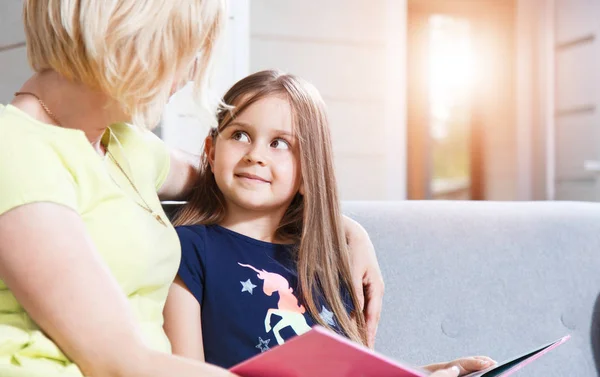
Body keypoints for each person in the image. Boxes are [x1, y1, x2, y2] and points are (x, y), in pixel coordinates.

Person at [0, 2, 383, 377]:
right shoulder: (14, 149)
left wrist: (347, 231)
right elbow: (118, 361)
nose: (188, 74)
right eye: (185, 52)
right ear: (129, 41)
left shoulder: (124, 144)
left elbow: (239, 176)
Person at [164, 70, 496, 376]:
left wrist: (429, 372)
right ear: (210, 150)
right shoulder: (187, 249)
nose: (256, 155)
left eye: (280, 143)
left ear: (309, 169)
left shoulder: (330, 263)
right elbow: (185, 370)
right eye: (240, 135)